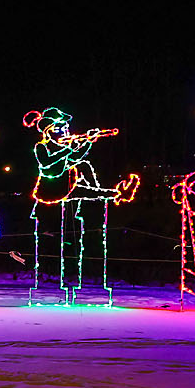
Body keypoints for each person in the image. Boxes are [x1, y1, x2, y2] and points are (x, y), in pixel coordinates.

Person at [23, 107, 139, 304]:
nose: (65, 131)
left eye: (66, 127)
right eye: (60, 128)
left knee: (84, 169)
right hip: (50, 193)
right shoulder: (41, 147)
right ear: (49, 130)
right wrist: (69, 148)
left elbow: (76, 158)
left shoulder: (63, 146)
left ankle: (116, 194)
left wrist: (87, 142)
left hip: (66, 188)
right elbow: (49, 165)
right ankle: (112, 194)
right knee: (49, 245)